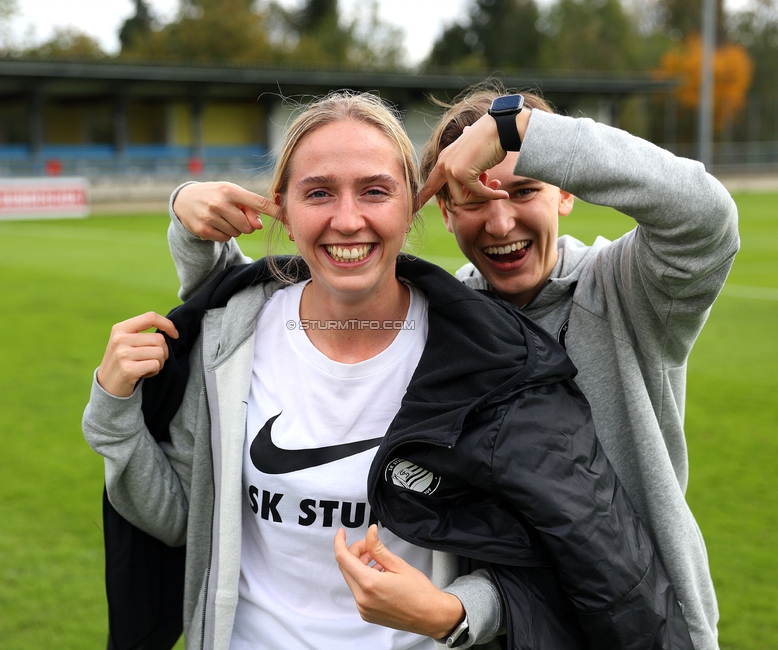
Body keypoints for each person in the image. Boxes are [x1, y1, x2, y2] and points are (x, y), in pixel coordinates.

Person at [87, 91, 692, 650]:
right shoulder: (230, 342)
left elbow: (529, 552)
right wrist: (112, 414)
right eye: (319, 192)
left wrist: (454, 612)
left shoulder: (475, 351)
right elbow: (186, 522)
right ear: (282, 207)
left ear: (413, 206)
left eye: (375, 191)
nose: (348, 219)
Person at [411, 87, 740, 650]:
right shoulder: (439, 328)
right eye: (473, 199)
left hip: (652, 628)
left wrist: (524, 133)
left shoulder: (628, 289)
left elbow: (707, 218)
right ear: (446, 211)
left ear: (564, 190)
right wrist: (201, 237)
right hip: (506, 630)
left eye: (523, 190)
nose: (499, 222)